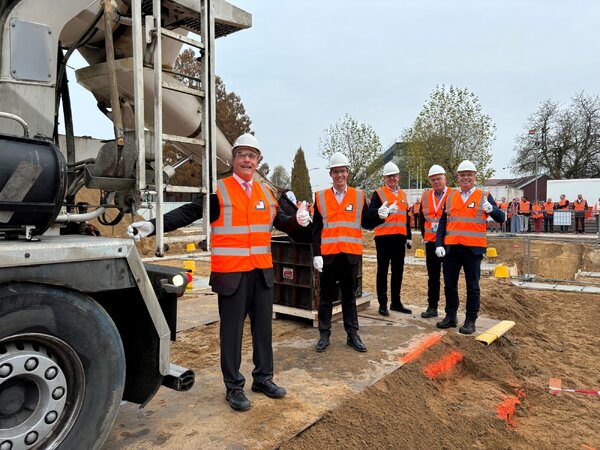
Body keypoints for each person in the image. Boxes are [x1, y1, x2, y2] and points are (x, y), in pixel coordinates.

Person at [128, 133, 311, 412]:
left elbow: (284, 224)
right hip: (232, 276)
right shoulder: (219, 192)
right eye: (242, 154)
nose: (247, 159)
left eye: (252, 155)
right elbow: (188, 213)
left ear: (258, 161)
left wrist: (298, 222)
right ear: (233, 159)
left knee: (263, 330)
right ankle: (234, 387)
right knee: (232, 333)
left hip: (261, 274)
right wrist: (152, 226)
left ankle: (263, 378)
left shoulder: (267, 194)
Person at [312, 152, 377, 353]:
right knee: (326, 296)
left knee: (349, 296)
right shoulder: (320, 197)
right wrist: (316, 254)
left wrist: (380, 216)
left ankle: (352, 334)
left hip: (350, 255)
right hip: (329, 256)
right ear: (330, 174)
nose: (339, 175)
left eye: (342, 171)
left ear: (347, 172)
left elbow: (366, 222)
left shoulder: (358, 196)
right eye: (335, 171)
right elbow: (316, 228)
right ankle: (324, 334)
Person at [434, 160, 505, 334]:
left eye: (469, 175)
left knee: (472, 286)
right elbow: (443, 222)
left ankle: (471, 319)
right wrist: (439, 243)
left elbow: (501, 218)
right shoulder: (450, 197)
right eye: (462, 175)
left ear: (474, 177)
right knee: (450, 284)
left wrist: (492, 210)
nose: (466, 178)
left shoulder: (484, 196)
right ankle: (451, 316)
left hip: (472, 250)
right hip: (451, 249)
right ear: (458, 177)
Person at [369, 162, 412, 317]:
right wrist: (384, 210)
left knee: (398, 271)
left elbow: (406, 217)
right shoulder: (378, 193)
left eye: (394, 175)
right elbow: (371, 212)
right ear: (385, 178)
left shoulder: (403, 195)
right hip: (383, 238)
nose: (392, 178)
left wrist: (409, 236)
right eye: (389, 176)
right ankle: (382, 303)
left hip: (399, 238)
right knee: (382, 270)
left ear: (398, 177)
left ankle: (396, 302)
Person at [418, 164, 452, 319]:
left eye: (438, 179)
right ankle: (432, 307)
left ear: (445, 178)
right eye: (433, 180)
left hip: (448, 243)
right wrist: (424, 236)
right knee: (433, 277)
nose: (436, 182)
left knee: (449, 278)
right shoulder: (425, 196)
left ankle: (450, 311)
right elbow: (421, 218)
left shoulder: (453, 195)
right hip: (431, 242)